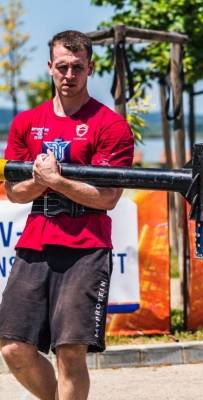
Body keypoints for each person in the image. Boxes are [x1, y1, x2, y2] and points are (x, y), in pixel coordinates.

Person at [0, 30, 134, 400]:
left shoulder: (111, 125)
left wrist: (55, 181)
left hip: (87, 248)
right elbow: (14, 191)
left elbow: (107, 198)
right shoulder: (27, 122)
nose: (69, 74)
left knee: (70, 352)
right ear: (50, 67)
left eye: (77, 66)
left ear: (90, 68)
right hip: (35, 244)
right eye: (62, 66)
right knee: (13, 346)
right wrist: (42, 182)